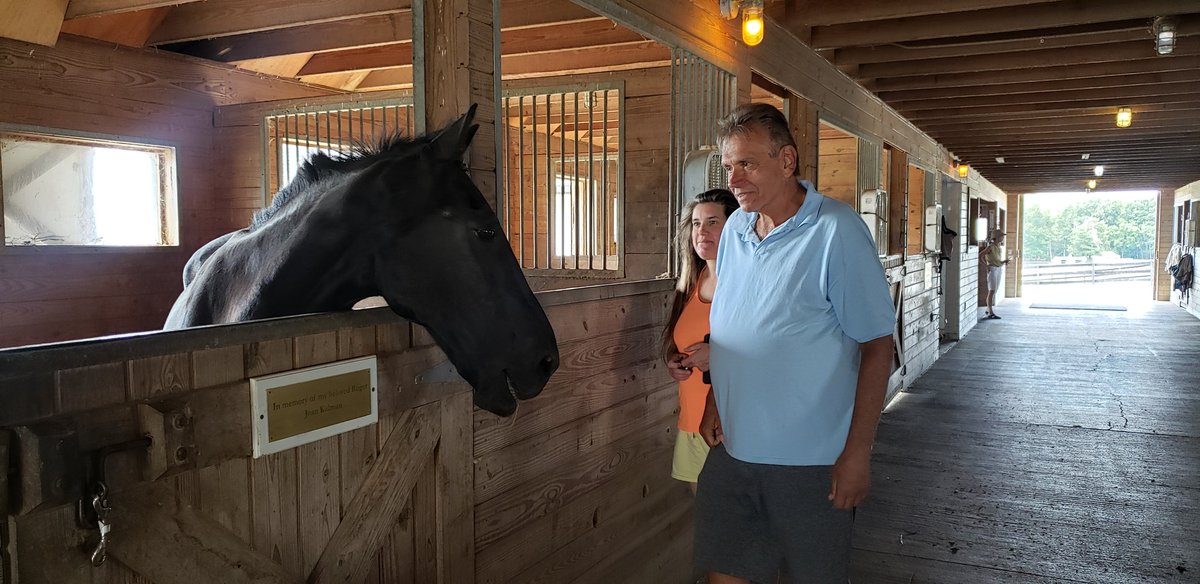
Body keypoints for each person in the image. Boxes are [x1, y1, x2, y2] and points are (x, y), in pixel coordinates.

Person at [692, 103, 896, 584]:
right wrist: (717, 398)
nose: (735, 178)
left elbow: (877, 345)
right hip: (734, 453)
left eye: (748, 163)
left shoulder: (837, 231)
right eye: (728, 166)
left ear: (787, 161)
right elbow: (731, 323)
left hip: (809, 464)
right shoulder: (738, 228)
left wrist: (857, 453)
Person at [662, 188, 739, 493]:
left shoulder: (743, 286)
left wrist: (718, 357)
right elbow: (680, 340)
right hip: (692, 420)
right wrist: (674, 360)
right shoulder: (692, 283)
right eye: (695, 223)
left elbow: (767, 349)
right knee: (709, 524)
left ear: (734, 227)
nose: (701, 231)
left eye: (712, 222)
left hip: (729, 424)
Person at [981, 230, 1009, 319]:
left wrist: (1003, 262)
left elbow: (996, 259)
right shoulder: (991, 247)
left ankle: (988, 309)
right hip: (992, 269)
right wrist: (986, 265)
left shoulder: (998, 247)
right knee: (991, 291)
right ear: (996, 237)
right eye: (1001, 236)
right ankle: (990, 313)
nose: (1003, 237)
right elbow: (980, 255)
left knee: (994, 290)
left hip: (998, 268)